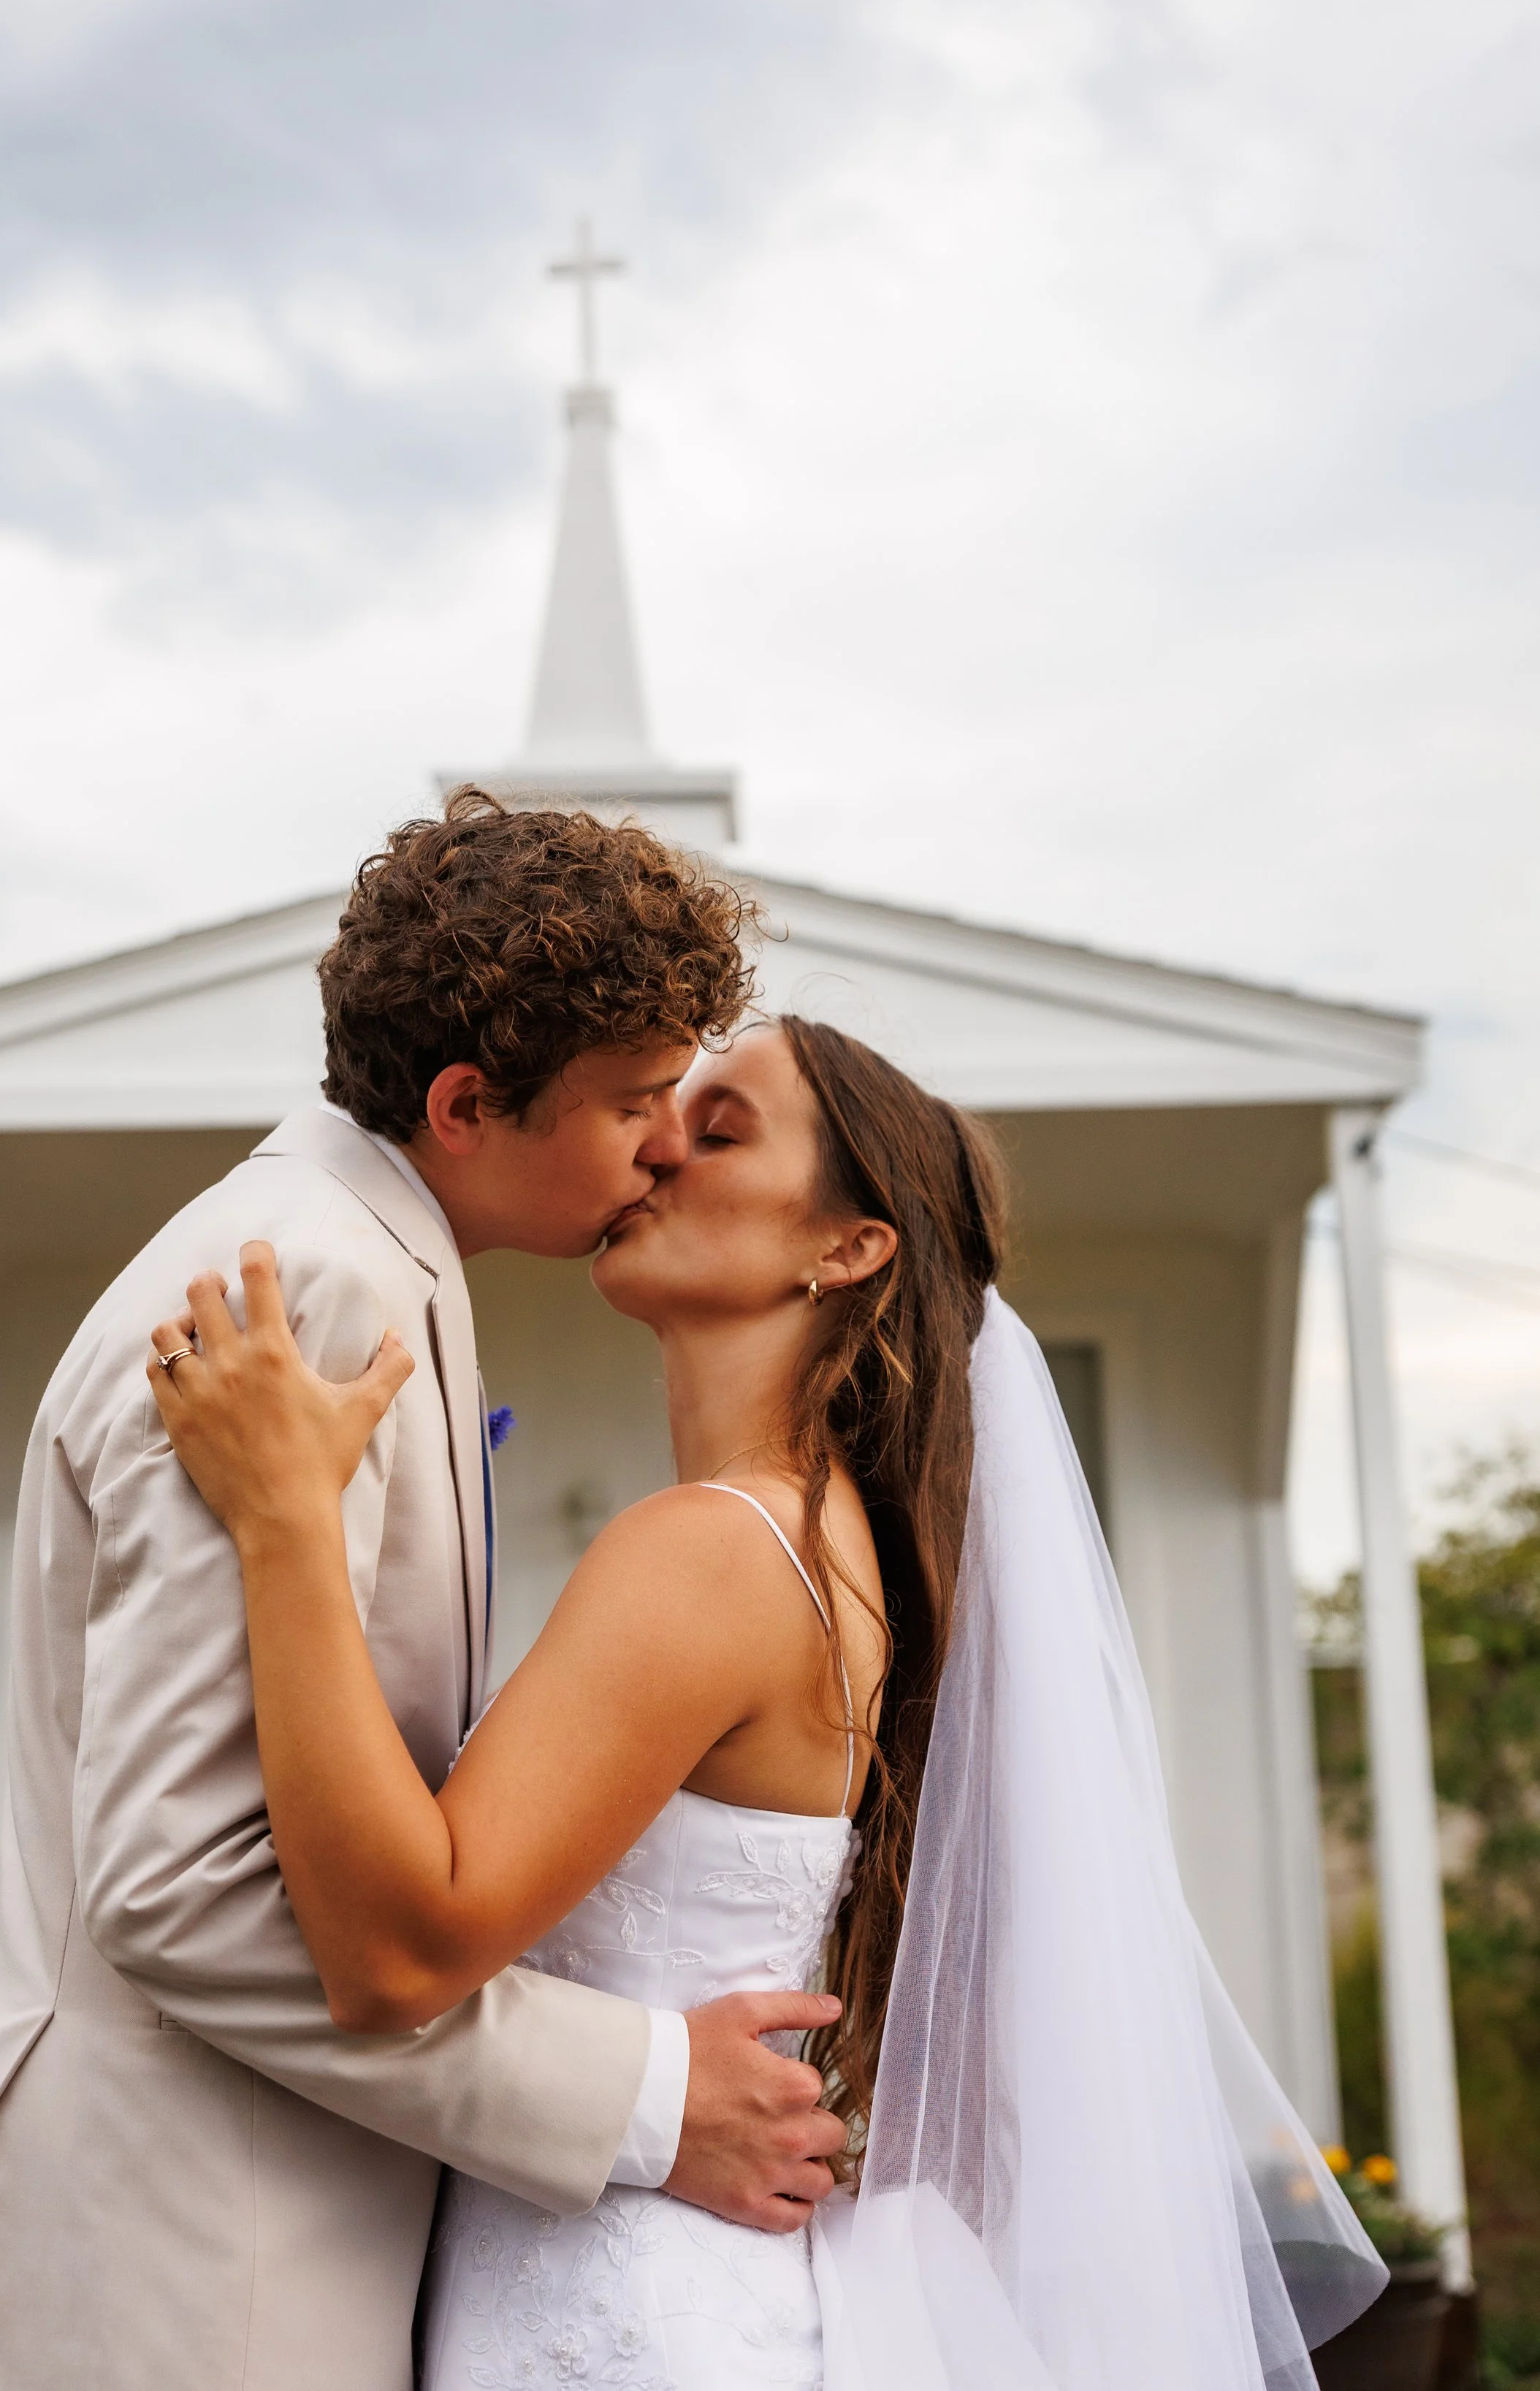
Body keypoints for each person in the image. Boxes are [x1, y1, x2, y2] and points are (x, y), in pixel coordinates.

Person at [155, 1012, 1392, 2391]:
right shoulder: (824, 1549)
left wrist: (283, 1523)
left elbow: (398, 1949)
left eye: (724, 1125)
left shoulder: (715, 1548)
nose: (657, 1143)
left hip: (616, 2317)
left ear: (849, 1246)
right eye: (661, 1105)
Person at [0, 795, 847, 2391]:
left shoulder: (363, 1257)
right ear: (466, 1104)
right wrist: (646, 2099)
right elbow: (181, 1892)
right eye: (635, 1102)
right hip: (183, 2272)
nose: (666, 1144)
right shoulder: (311, 1285)